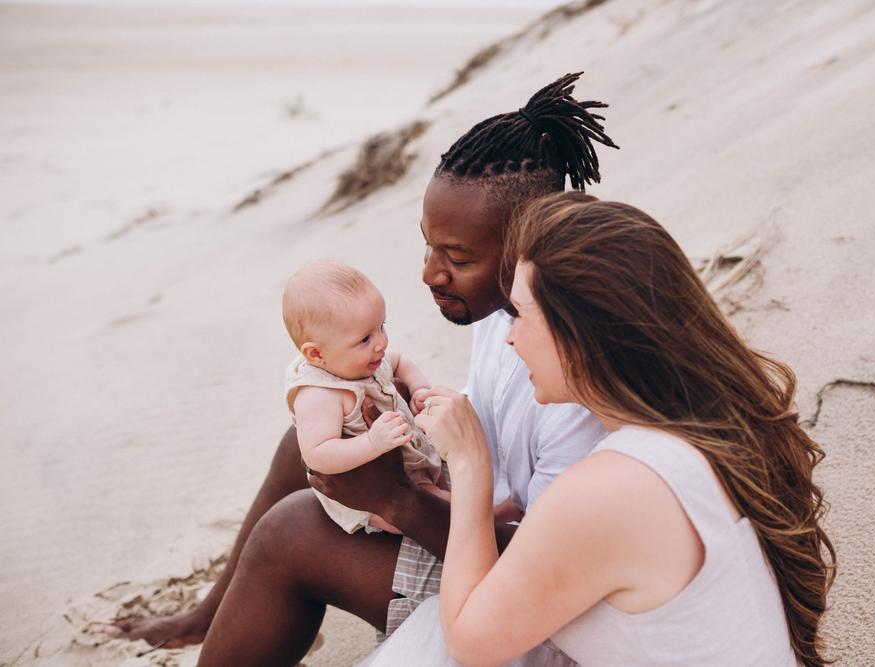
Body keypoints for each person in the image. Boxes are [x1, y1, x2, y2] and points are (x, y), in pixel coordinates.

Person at [110, 73, 617, 665]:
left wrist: (400, 500)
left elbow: (543, 574)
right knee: (310, 432)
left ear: (527, 247)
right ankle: (212, 612)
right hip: (475, 514)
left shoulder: (574, 386)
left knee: (290, 534)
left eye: (456, 258)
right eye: (428, 246)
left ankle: (244, 608)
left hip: (529, 600)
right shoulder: (495, 312)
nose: (430, 273)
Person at [403, 193, 837, 666]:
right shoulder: (706, 424)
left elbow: (470, 642)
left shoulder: (611, 488)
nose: (510, 337)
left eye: (522, 315)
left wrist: (470, 464)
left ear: (580, 339)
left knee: (429, 641)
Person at [282, 260, 446, 535]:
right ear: (316, 355)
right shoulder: (319, 394)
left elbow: (400, 363)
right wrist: (372, 442)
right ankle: (493, 517)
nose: (381, 342)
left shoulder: (363, 359)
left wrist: (418, 389)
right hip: (371, 496)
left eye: (382, 327)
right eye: (365, 339)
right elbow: (318, 454)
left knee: (444, 484)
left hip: (410, 458)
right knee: (436, 504)